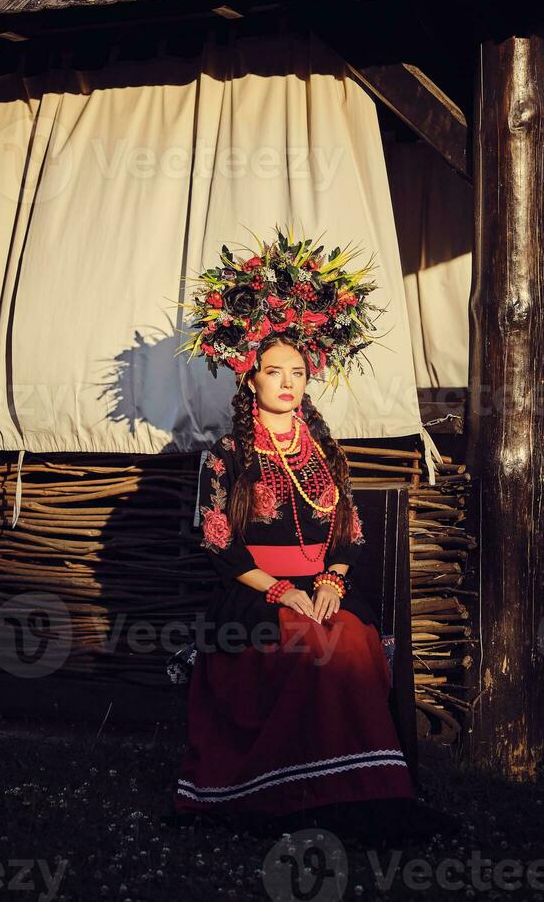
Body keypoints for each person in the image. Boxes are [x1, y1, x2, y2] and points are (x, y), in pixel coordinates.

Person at [173, 333, 417, 836]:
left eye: (298, 373)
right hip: (255, 590)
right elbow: (220, 545)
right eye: (275, 371)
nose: (288, 383)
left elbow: (348, 534)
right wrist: (282, 590)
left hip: (323, 586)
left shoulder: (324, 451)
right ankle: (290, 791)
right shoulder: (227, 453)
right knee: (307, 645)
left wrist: (331, 580)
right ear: (251, 377)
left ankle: (360, 789)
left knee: (348, 637)